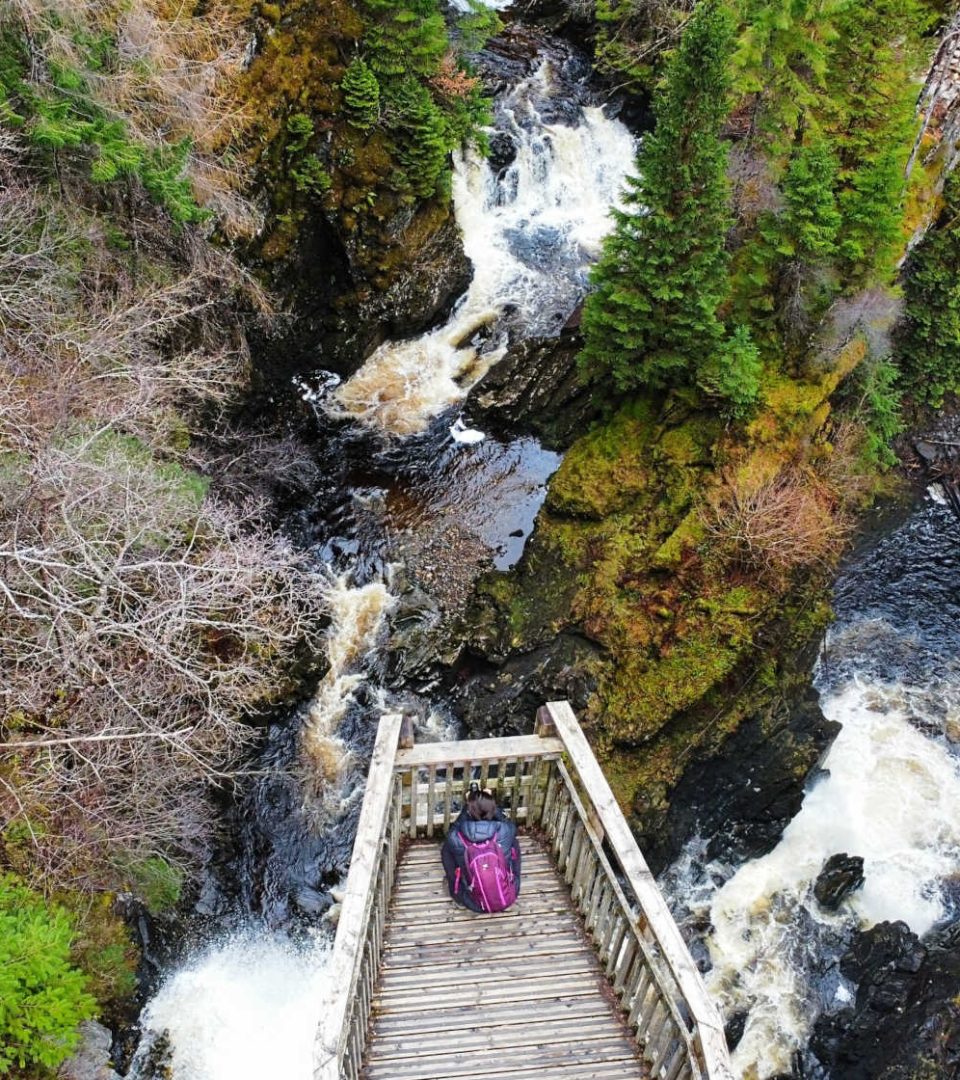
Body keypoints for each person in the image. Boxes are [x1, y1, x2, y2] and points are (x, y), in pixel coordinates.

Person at [441, 783, 521, 912]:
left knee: (447, 849)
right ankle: (507, 878)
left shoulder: (456, 837)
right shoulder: (505, 830)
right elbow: (507, 822)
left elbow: (454, 828)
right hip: (508, 896)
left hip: (474, 903)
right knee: (513, 843)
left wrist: (467, 806)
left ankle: (455, 891)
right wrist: (490, 803)